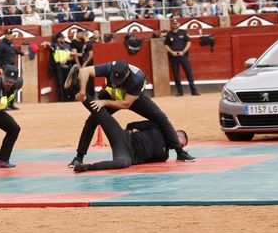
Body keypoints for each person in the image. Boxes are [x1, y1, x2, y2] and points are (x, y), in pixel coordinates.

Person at [65, 59, 195, 167]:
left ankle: (180, 152)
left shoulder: (136, 79)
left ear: (127, 75)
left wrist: (104, 102)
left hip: (133, 99)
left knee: (160, 117)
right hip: (115, 96)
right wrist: (82, 91)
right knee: (92, 121)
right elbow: (84, 71)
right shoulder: (111, 67)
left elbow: (125, 104)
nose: (115, 82)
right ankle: (79, 157)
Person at [69, 98, 189, 172]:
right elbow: (133, 124)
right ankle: (79, 89)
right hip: (123, 138)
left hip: (127, 155)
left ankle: (85, 167)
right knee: (103, 116)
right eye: (179, 139)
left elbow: (145, 162)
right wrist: (128, 132)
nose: (178, 144)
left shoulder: (164, 156)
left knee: (123, 163)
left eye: (181, 146)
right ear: (174, 132)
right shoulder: (158, 126)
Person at [164, 19, 200, 97]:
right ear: (171, 24)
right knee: (176, 74)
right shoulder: (169, 34)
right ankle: (180, 91)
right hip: (173, 56)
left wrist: (183, 51)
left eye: (176, 23)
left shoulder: (183, 32)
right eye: (173, 23)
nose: (175, 25)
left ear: (179, 24)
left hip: (183, 55)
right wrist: (172, 52)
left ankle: (193, 90)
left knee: (188, 72)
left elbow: (188, 42)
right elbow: (166, 45)